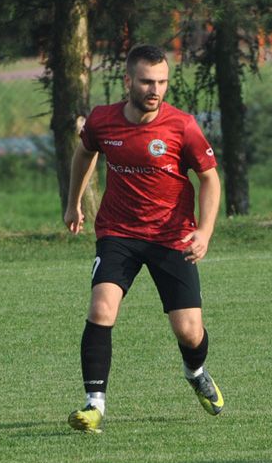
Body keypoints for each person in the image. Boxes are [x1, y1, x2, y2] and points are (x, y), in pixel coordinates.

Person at [63, 43, 223, 434]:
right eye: (148, 82)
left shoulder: (182, 126)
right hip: (118, 232)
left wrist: (204, 231)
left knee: (189, 332)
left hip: (172, 236)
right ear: (128, 81)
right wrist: (73, 204)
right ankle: (94, 404)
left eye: (162, 82)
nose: (155, 90)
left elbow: (209, 179)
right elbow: (84, 154)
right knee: (101, 308)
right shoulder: (103, 120)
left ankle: (195, 371)